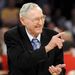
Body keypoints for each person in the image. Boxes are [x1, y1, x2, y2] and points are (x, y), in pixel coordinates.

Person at [4, 3, 66, 75]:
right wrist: (47, 48)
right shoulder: (12, 36)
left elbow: (60, 67)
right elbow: (20, 62)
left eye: (42, 18)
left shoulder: (53, 36)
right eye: (35, 19)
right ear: (23, 20)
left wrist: (58, 72)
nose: (40, 23)